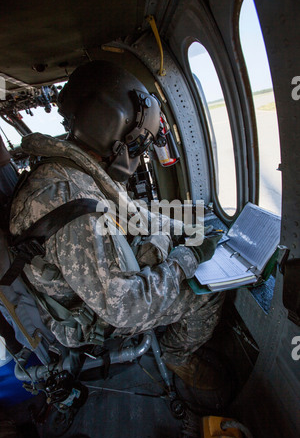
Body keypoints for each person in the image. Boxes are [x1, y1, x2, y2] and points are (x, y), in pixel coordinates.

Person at [9, 61, 225, 388]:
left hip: (92, 285)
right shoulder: (72, 202)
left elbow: (125, 209)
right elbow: (124, 307)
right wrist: (187, 260)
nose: (137, 156)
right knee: (207, 293)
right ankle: (176, 355)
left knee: (167, 246)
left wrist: (186, 223)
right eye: (137, 144)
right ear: (110, 126)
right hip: (90, 316)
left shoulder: (67, 169)